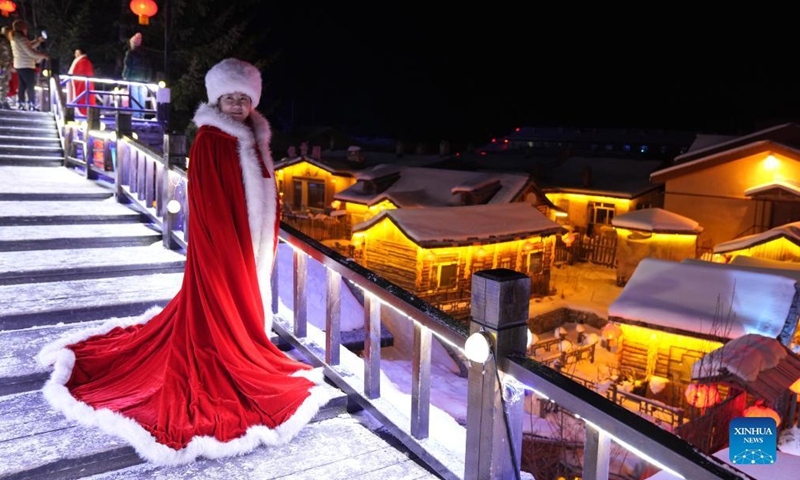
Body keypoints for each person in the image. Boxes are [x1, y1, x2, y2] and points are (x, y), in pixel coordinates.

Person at [37, 58, 332, 465]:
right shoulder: (213, 139)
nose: (235, 105)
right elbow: (209, 201)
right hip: (222, 244)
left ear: (251, 102)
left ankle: (244, 337)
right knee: (221, 309)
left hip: (245, 242)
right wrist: (222, 248)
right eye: (228, 98)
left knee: (240, 301)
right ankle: (235, 345)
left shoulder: (251, 137)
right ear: (217, 99)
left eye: (242, 98)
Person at [9, 20, 47, 111]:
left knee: (22, 85)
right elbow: (30, 51)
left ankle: (21, 103)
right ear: (22, 28)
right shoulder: (21, 37)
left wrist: (38, 40)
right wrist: (43, 56)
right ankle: (31, 104)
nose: (26, 29)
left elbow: (28, 46)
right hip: (26, 65)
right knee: (30, 85)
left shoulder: (16, 37)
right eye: (25, 27)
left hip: (19, 64)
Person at [122, 32, 152, 116]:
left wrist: (125, 76)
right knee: (142, 97)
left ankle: (136, 115)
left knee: (134, 97)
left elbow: (128, 66)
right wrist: (148, 78)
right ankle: (142, 115)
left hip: (133, 78)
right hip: (143, 79)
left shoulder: (130, 53)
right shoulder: (145, 54)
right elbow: (149, 67)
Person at [67, 47, 95, 116]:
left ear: (79, 53)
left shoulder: (83, 62)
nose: (75, 55)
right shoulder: (85, 62)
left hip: (83, 85)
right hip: (83, 85)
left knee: (83, 99)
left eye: (76, 53)